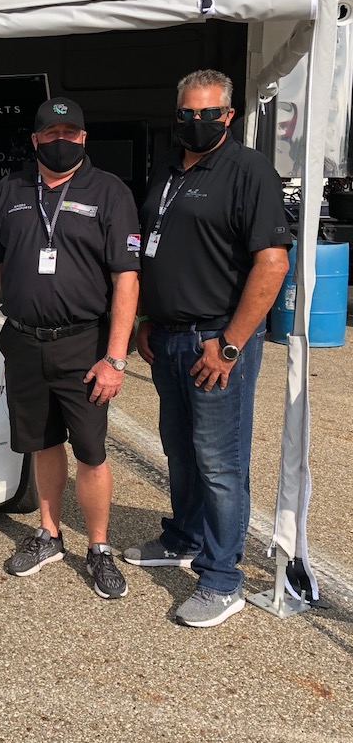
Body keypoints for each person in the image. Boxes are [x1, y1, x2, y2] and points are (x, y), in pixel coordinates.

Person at [125, 69, 291, 627]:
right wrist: (148, 319)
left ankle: (222, 579)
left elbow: (273, 263)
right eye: (187, 113)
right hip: (168, 338)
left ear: (228, 115)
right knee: (180, 451)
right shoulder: (168, 169)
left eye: (208, 113)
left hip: (216, 341)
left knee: (220, 463)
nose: (196, 122)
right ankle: (183, 536)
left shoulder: (248, 171)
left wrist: (231, 344)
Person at [0, 97, 140, 600]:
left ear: (84, 138)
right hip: (24, 341)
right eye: (51, 133)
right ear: (35, 139)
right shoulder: (11, 190)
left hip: (83, 345)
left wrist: (115, 358)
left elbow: (126, 277)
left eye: (70, 133)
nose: (60, 140)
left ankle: (99, 546)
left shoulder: (109, 191)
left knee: (91, 451)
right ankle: (49, 534)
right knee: (43, 443)